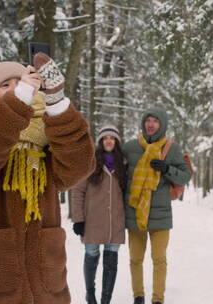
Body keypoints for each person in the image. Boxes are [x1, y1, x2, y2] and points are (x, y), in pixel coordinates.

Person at [0, 53, 95, 304]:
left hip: (46, 279)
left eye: (18, 82)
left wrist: (57, 103)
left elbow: (79, 167)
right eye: (5, 86)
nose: (14, 89)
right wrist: (17, 101)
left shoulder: (48, 138)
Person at [123, 108, 192, 304]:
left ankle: (157, 299)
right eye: (148, 120)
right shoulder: (130, 147)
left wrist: (167, 169)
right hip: (135, 211)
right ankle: (138, 296)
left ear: (162, 125)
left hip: (161, 215)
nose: (150, 124)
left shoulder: (172, 149)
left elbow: (186, 175)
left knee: (159, 259)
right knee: (135, 259)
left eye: (155, 121)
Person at [71, 125, 127, 304]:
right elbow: (77, 192)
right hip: (92, 222)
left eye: (112, 138)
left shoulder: (123, 165)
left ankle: (106, 299)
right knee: (91, 257)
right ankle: (90, 294)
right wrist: (78, 219)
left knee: (111, 263)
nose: (109, 141)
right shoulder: (90, 162)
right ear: (101, 142)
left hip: (115, 223)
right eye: (105, 138)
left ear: (116, 142)